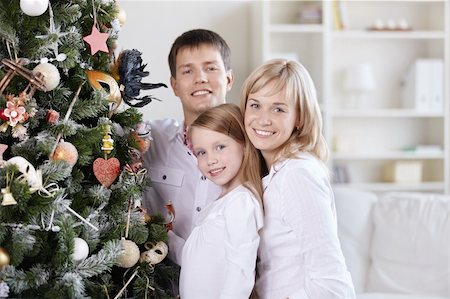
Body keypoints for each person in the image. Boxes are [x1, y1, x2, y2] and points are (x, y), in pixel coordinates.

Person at [240, 59, 356, 299]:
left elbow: (332, 284)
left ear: (299, 118)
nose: (262, 119)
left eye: (278, 109)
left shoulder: (297, 175)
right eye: (255, 105)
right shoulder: (275, 174)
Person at [142, 29, 234, 265]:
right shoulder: (151, 138)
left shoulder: (252, 149)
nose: (200, 78)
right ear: (174, 85)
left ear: (229, 79)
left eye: (211, 68)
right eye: (187, 70)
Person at [178, 103, 263, 299]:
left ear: (244, 144)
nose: (211, 160)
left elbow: (239, 273)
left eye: (220, 147)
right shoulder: (219, 203)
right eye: (201, 152)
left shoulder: (240, 201)